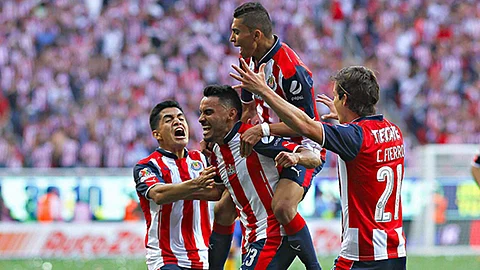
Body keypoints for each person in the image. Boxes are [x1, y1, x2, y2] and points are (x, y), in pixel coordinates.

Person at [231, 63, 407, 269]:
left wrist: (263, 91)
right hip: (396, 252)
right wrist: (345, 121)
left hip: (363, 255)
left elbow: (304, 124)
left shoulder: (354, 137)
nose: (333, 101)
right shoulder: (394, 132)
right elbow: (365, 148)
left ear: (345, 100)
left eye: (335, 97)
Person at [210, 3, 324, 269]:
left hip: (302, 147)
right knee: (224, 209)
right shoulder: (250, 60)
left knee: (282, 207)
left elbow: (308, 126)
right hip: (267, 144)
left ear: (256, 35)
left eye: (237, 32)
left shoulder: (291, 71)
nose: (232, 39)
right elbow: (249, 109)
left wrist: (263, 129)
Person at [199, 85, 322, 269]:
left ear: (231, 114)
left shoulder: (252, 138)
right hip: (251, 239)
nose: (201, 119)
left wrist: (296, 157)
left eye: (208, 113)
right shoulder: (216, 151)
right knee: (222, 209)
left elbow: (314, 158)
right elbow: (222, 192)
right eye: (201, 113)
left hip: (273, 233)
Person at [133, 100, 222, 270]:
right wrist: (197, 184)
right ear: (157, 134)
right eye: (168, 119)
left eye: (181, 118)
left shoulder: (201, 159)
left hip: (201, 256)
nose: (177, 121)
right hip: (165, 257)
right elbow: (159, 195)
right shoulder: (147, 166)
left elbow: (216, 192)